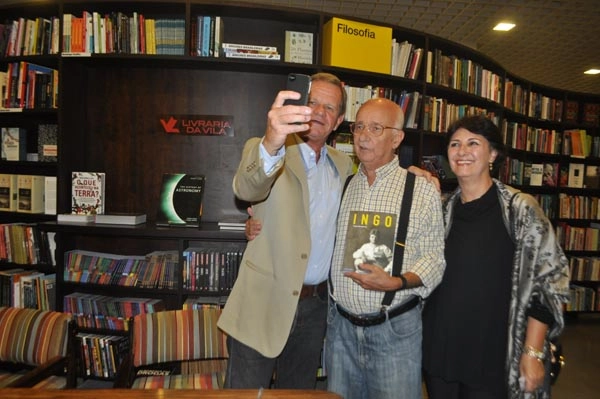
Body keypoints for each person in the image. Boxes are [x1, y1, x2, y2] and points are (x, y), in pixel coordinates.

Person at [217, 72, 354, 389]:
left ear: (339, 121)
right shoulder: (268, 149)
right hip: (263, 302)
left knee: (298, 393)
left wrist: (415, 175)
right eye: (312, 102)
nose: (319, 112)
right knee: (245, 394)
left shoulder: (345, 165)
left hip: (316, 308)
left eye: (329, 108)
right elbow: (247, 187)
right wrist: (272, 142)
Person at [421, 114, 571, 399]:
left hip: (492, 353)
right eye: (455, 144)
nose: (462, 151)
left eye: (473, 143)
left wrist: (532, 352)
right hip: (441, 347)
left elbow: (549, 281)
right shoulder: (442, 210)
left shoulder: (520, 210)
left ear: (493, 153)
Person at [326, 98, 446, 399]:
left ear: (397, 138)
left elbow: (435, 259)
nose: (363, 135)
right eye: (359, 126)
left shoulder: (420, 189)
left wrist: (397, 282)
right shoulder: (345, 183)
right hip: (340, 330)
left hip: (394, 331)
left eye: (376, 128)